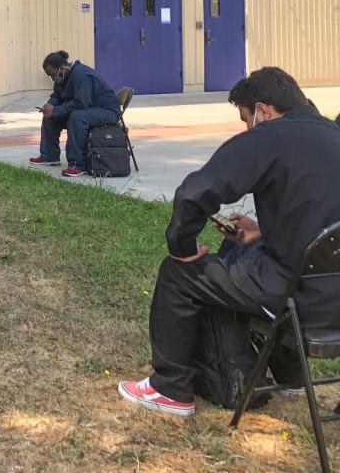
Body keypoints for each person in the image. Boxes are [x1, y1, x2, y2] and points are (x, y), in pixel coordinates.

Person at [118, 67, 340, 416]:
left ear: (263, 111)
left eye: (244, 118)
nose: (245, 127)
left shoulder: (270, 137)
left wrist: (184, 248)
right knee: (238, 246)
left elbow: (194, 192)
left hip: (296, 298)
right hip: (330, 297)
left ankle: (170, 388)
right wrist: (262, 234)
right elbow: (322, 221)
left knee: (177, 273)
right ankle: (291, 375)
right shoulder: (332, 134)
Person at [28, 50, 122, 177]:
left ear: (62, 68)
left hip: (106, 110)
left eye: (53, 74)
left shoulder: (82, 75)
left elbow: (81, 103)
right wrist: (50, 106)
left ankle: (78, 165)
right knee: (50, 117)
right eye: (50, 76)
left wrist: (56, 110)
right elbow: (57, 96)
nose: (53, 78)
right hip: (89, 109)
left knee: (77, 117)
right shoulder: (62, 76)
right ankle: (49, 157)